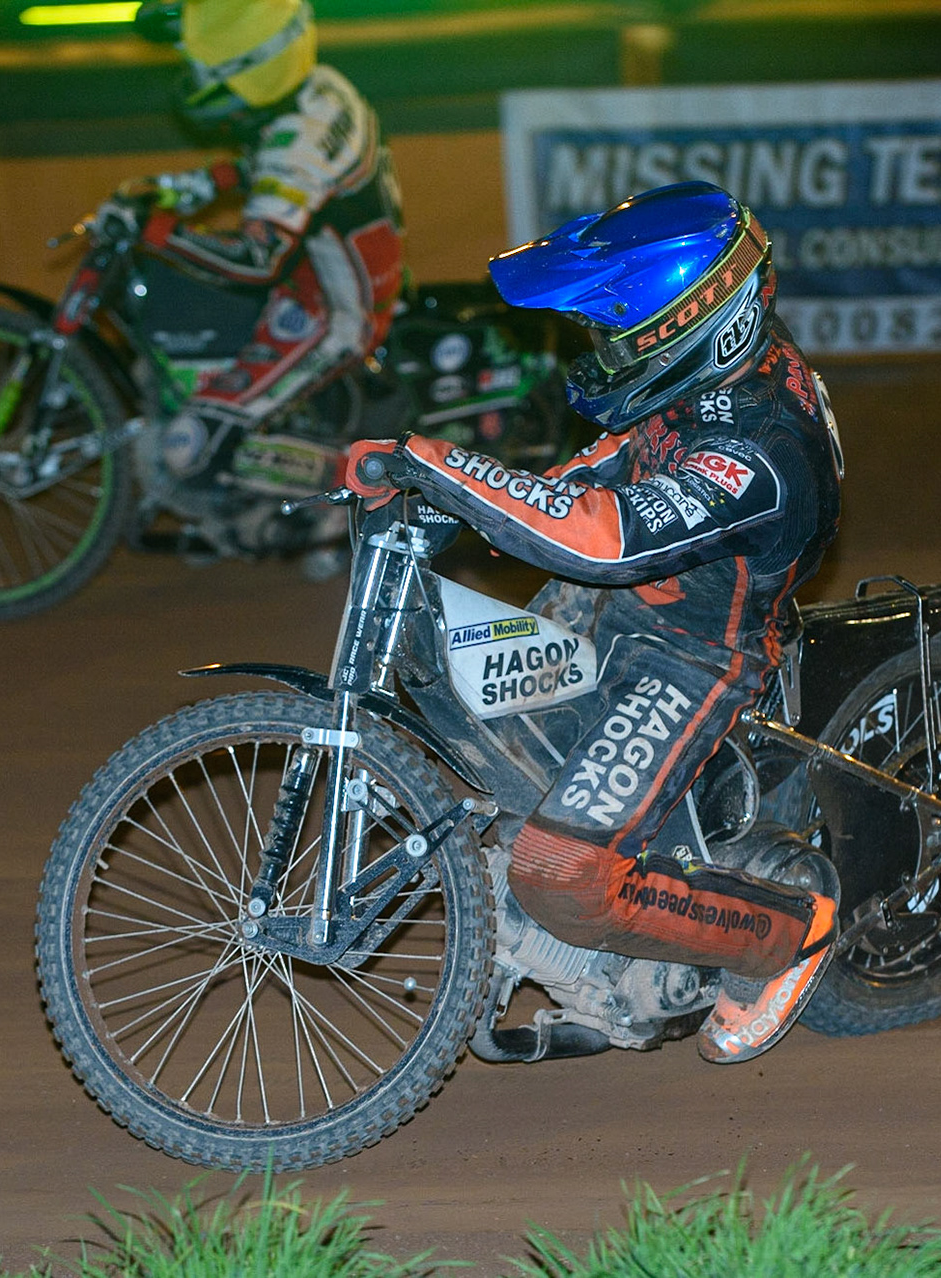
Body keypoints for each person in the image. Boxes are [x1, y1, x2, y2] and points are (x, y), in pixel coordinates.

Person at [345, 181, 847, 1064]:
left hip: (695, 653)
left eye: (618, 335)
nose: (603, 352)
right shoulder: (714, 377)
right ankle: (569, 946)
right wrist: (480, 502)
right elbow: (620, 459)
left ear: (695, 323)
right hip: (619, 607)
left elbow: (605, 541)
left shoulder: (759, 447)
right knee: (475, 731)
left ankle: (787, 934)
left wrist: (448, 466)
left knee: (562, 876)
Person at [117, 0, 405, 436]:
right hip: (327, 280)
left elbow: (258, 259)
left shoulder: (297, 148)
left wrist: (154, 230)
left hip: (333, 315)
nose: (193, 78)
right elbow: (275, 165)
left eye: (203, 69)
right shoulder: (321, 88)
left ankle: (354, 488)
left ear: (250, 66)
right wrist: (200, 184)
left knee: (192, 445)